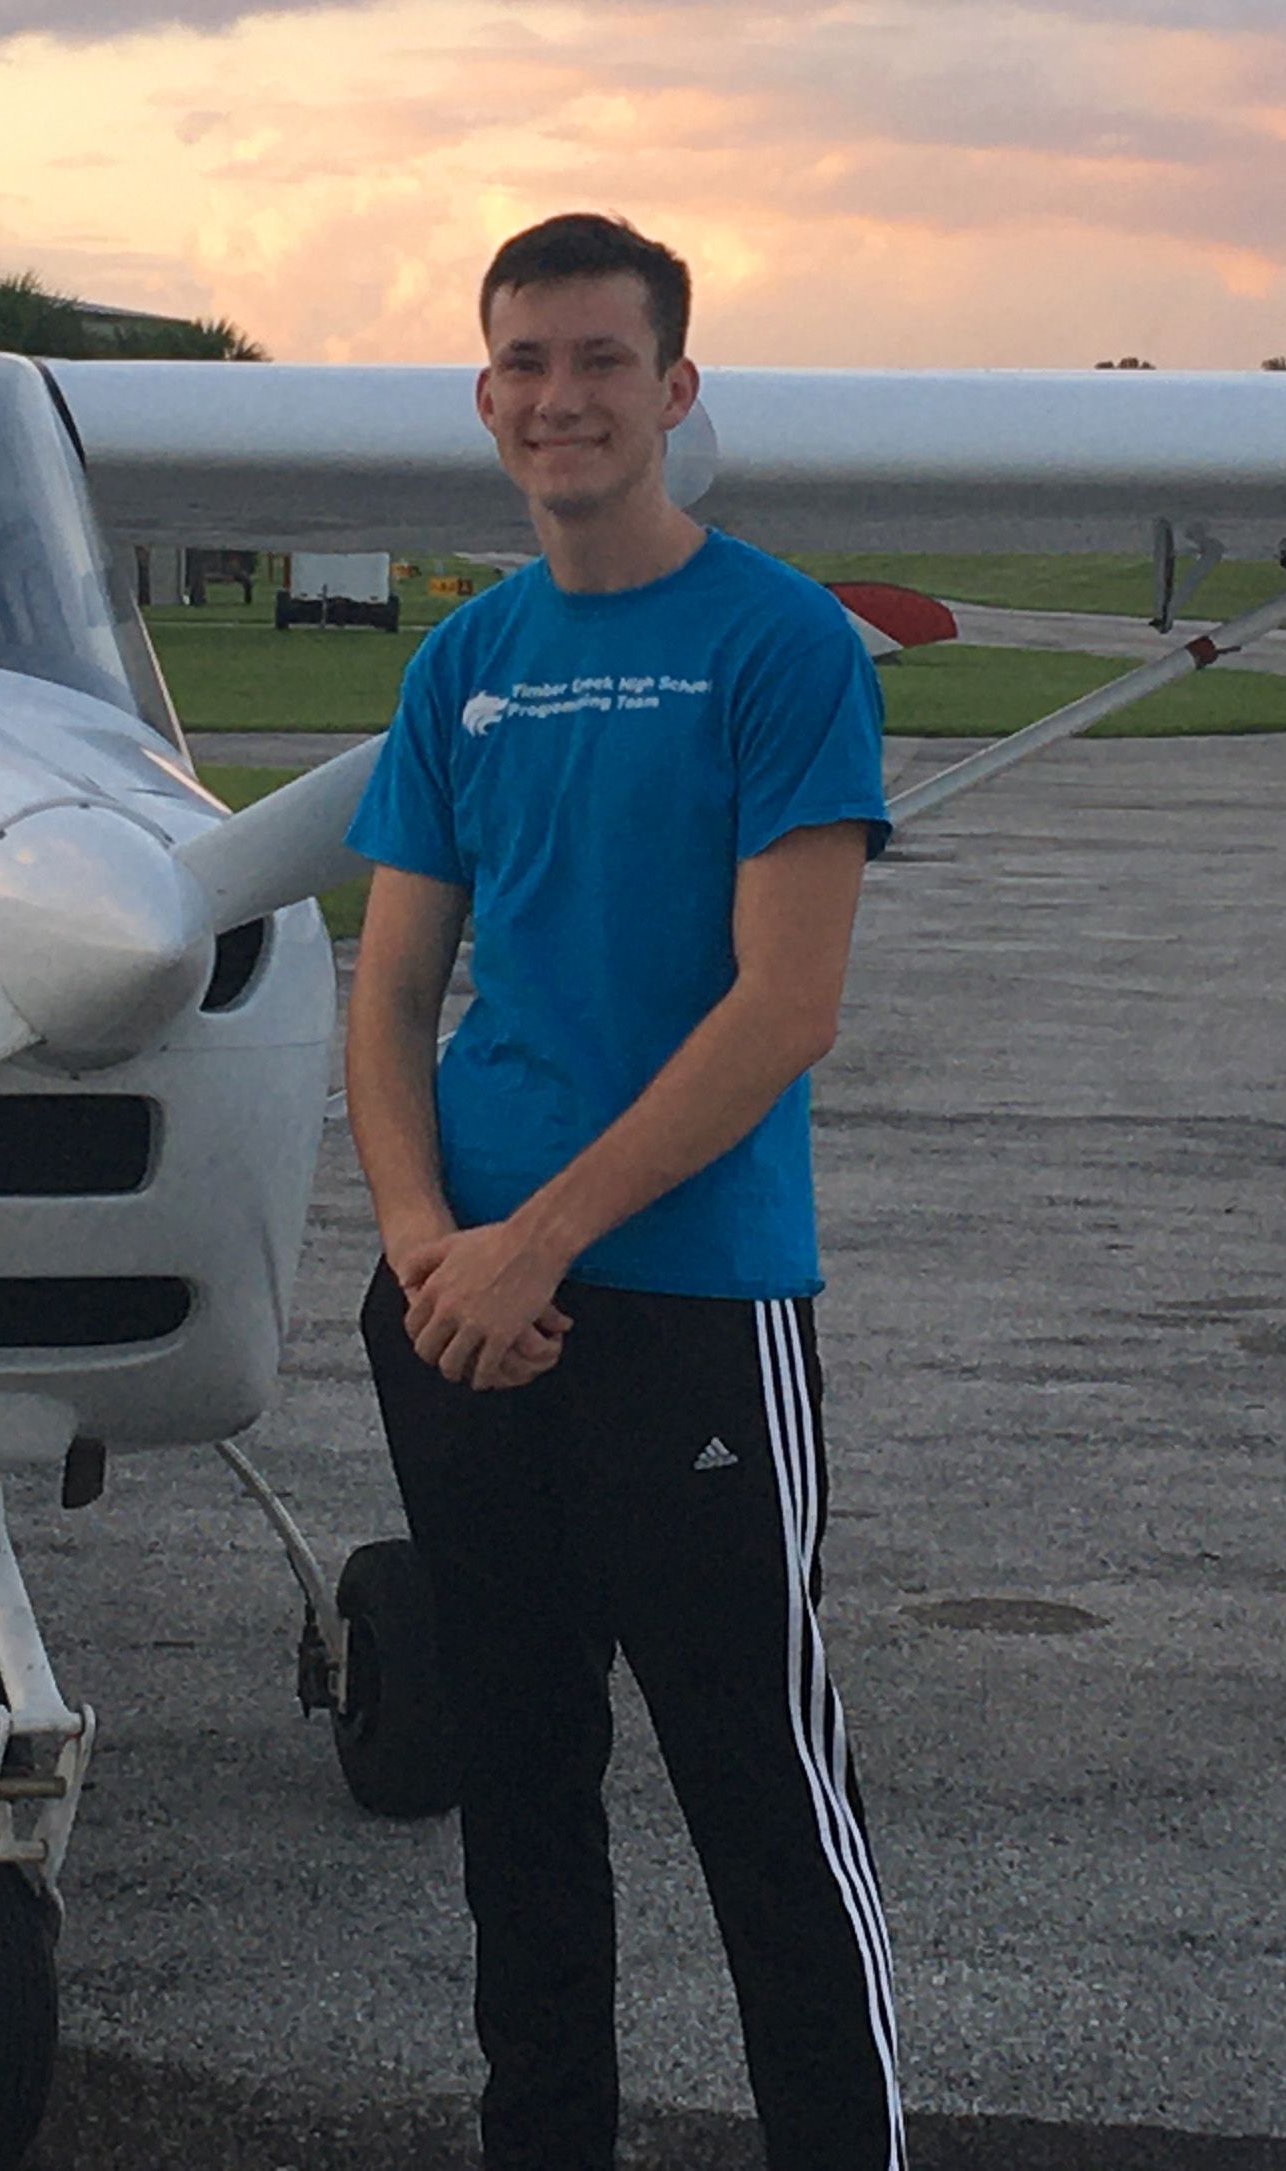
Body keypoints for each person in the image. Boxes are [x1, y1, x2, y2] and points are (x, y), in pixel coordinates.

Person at [342, 212, 902, 2171]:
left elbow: (787, 1005)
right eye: (523, 363)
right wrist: (427, 1248)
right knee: (519, 1798)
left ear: (673, 390)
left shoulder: (777, 645)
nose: (558, 398)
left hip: (683, 1309)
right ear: (486, 395)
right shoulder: (464, 663)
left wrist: (537, 1242)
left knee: (761, 1798)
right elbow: (395, 990)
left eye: (599, 362)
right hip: (460, 1311)